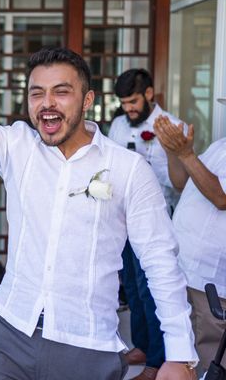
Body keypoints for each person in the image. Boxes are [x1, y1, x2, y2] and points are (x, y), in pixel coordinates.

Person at [0, 0, 198, 380]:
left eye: (61, 92)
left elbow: (161, 263)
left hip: (87, 346)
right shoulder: (17, 146)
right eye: (36, 93)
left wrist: (180, 354)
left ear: (88, 100)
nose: (47, 103)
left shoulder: (128, 170)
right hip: (10, 334)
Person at [108, 69, 182, 379]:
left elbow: (177, 184)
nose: (129, 109)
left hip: (155, 216)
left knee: (153, 289)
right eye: (124, 103)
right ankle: (141, 343)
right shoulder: (117, 125)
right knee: (132, 288)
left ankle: (157, 361)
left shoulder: (172, 127)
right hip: (121, 219)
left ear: (149, 94)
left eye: (134, 101)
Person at [154, 100, 226, 376]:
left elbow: (221, 198)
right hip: (186, 269)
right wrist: (174, 153)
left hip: (209, 279)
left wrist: (186, 154)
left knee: (210, 363)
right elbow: (182, 182)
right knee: (183, 358)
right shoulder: (221, 145)